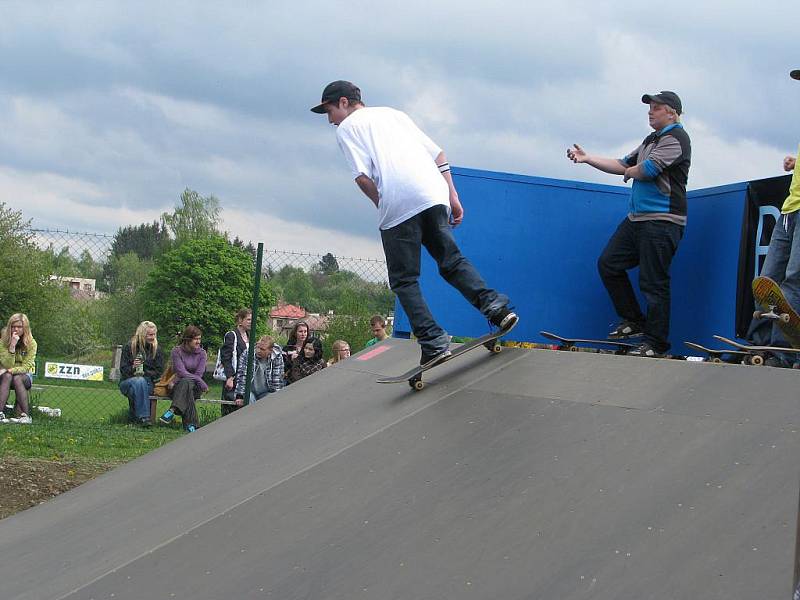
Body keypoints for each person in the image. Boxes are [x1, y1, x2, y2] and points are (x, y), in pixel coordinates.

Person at [311, 80, 517, 366]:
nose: (330, 120)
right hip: (434, 193)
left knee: (404, 279)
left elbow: (361, 177)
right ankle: (496, 308)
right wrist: (453, 196)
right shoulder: (395, 114)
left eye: (330, 111)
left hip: (399, 201)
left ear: (344, 102)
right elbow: (439, 155)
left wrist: (382, 204)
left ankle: (433, 341)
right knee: (452, 261)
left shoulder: (348, 128)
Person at [567, 90, 691, 358]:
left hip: (662, 221)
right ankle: (634, 321)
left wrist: (629, 172)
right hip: (638, 219)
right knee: (609, 263)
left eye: (656, 107)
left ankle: (656, 344)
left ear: (671, 112)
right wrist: (588, 159)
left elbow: (646, 170)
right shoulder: (651, 139)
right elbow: (623, 163)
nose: (650, 111)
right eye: (650, 107)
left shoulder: (677, 138)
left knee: (653, 282)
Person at [745, 69, 800, 366]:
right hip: (790, 209)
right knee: (766, 281)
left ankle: (783, 350)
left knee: (793, 279)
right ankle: (762, 342)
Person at [159, 325, 207, 432]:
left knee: (186, 383)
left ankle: (172, 410)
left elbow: (199, 374)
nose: (198, 342)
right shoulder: (177, 351)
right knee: (186, 385)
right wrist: (200, 381)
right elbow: (181, 371)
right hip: (178, 387)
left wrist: (197, 380)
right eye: (196, 339)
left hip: (194, 388)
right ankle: (192, 426)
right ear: (187, 339)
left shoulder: (202, 353)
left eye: (199, 339)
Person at [118, 321, 164, 426]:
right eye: (150, 335)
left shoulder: (157, 350)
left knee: (136, 389)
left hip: (148, 383)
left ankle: (134, 419)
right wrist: (133, 367)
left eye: (154, 334)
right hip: (127, 381)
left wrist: (145, 371)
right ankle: (144, 417)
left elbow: (159, 372)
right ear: (142, 335)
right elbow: (123, 371)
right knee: (139, 382)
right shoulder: (129, 347)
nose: (153, 337)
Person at [0, 313, 37, 424]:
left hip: (24, 377)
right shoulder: (3, 341)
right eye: (13, 326)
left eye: (19, 327)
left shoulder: (32, 343)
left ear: (25, 328)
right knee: (7, 376)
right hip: (5, 376)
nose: (16, 329)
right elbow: (6, 364)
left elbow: (26, 367)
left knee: (17, 378)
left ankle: (25, 416)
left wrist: (10, 370)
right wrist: (12, 346)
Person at [234, 335, 284, 404]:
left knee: (271, 401)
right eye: (258, 347)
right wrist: (239, 395)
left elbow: (277, 378)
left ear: (270, 351)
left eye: (262, 349)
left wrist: (277, 397)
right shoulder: (248, 354)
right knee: (249, 400)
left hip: (266, 391)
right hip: (249, 391)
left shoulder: (277, 357)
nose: (258, 351)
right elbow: (242, 375)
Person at [219, 308, 251, 415]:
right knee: (231, 403)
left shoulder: (249, 336)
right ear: (240, 320)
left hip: (245, 376)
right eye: (248, 319)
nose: (250, 322)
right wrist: (230, 377)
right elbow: (226, 358)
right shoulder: (231, 335)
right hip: (233, 377)